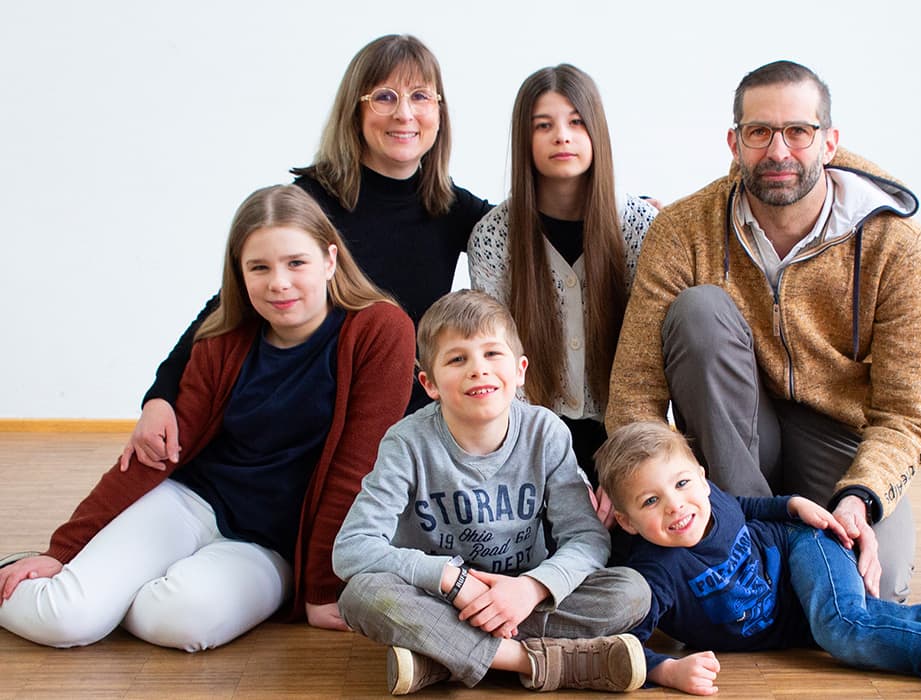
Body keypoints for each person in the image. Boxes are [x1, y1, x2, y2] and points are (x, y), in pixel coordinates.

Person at [0, 185, 415, 650]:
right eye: (259, 267)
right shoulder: (225, 338)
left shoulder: (380, 330)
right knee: (67, 620)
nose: (278, 282)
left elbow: (355, 469)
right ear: (239, 274)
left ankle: (107, 593)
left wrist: (321, 587)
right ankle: (61, 585)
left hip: (269, 545)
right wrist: (63, 551)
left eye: (296, 262)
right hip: (189, 502)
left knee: (180, 624)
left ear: (330, 261)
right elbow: (156, 455)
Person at [606, 60, 921, 603]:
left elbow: (906, 415)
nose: (778, 152)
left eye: (798, 132)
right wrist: (644, 493)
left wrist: (860, 499)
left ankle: (777, 568)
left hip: (837, 435)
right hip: (730, 424)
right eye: (759, 132)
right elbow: (635, 389)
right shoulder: (682, 231)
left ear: (829, 142)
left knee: (880, 589)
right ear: (734, 142)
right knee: (700, 311)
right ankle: (752, 548)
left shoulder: (895, 243)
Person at [123, 34, 491, 472]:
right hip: (312, 420)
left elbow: (530, 239)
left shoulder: (453, 208)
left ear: (439, 111)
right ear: (355, 111)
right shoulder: (312, 201)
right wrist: (160, 394)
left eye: (420, 96)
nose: (404, 113)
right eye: (384, 97)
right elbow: (232, 303)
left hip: (402, 417)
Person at [595, 421, 921, 698]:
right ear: (623, 518)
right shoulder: (656, 574)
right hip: (796, 617)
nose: (676, 506)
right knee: (884, 622)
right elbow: (629, 645)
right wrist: (669, 673)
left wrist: (793, 504)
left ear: (703, 476)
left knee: (846, 627)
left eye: (684, 483)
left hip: (805, 549)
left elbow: (748, 507)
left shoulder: (712, 501)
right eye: (650, 501)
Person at [332, 289, 651, 695]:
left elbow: (586, 538)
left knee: (631, 592)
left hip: (522, 598)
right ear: (429, 383)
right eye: (457, 358)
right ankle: (540, 663)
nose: (478, 369)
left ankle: (439, 658)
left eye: (491, 354)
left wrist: (531, 588)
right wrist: (451, 579)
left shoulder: (546, 432)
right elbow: (352, 549)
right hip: (440, 598)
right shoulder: (407, 443)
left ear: (519, 370)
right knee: (361, 595)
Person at [468, 63, 657, 486]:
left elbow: (651, 353)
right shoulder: (494, 238)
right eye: (543, 125)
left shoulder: (640, 227)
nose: (562, 136)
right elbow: (496, 354)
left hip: (626, 434)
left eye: (576, 122)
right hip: (530, 439)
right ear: (524, 138)